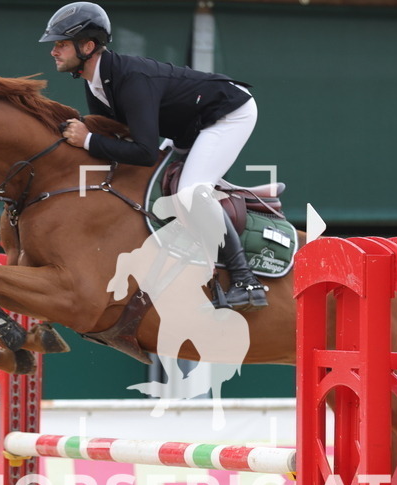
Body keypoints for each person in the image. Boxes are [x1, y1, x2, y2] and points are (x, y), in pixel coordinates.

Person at [39, 2, 268, 311]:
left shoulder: (131, 79)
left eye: (61, 44)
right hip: (188, 124)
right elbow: (119, 141)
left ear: (88, 47)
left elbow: (144, 152)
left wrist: (88, 139)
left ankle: (247, 282)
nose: (53, 51)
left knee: (190, 192)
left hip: (228, 113)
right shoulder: (96, 84)